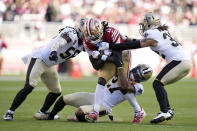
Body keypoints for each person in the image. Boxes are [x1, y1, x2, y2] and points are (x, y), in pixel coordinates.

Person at [98, 12, 192, 124]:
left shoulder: (152, 33)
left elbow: (135, 45)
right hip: (185, 62)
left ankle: (165, 111)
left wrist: (110, 46)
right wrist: (124, 38)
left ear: (150, 23)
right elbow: (136, 42)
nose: (143, 26)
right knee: (159, 84)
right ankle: (166, 111)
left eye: (145, 23)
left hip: (179, 61)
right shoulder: (159, 31)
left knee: (157, 83)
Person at [3, 18, 86, 121]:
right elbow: (60, 41)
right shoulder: (72, 33)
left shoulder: (83, 42)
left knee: (56, 91)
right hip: (39, 59)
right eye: (85, 30)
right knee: (29, 86)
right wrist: (54, 52)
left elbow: (93, 49)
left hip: (49, 64)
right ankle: (9, 112)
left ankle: (43, 112)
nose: (87, 33)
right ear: (79, 28)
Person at [46, 63, 153, 123]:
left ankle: (138, 111)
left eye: (137, 73)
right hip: (95, 98)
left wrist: (122, 72)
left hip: (105, 106)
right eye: (135, 70)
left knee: (79, 113)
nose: (134, 73)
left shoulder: (139, 87)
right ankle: (50, 117)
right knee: (65, 99)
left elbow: (125, 88)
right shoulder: (123, 72)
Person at [82, 18, 134, 122]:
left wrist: (102, 55)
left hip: (122, 54)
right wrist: (102, 56)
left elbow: (117, 57)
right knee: (101, 80)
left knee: (123, 87)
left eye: (95, 35)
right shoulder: (87, 42)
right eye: (89, 36)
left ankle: (138, 111)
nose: (92, 38)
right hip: (110, 56)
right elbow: (96, 66)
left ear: (100, 30)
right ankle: (95, 112)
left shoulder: (111, 33)